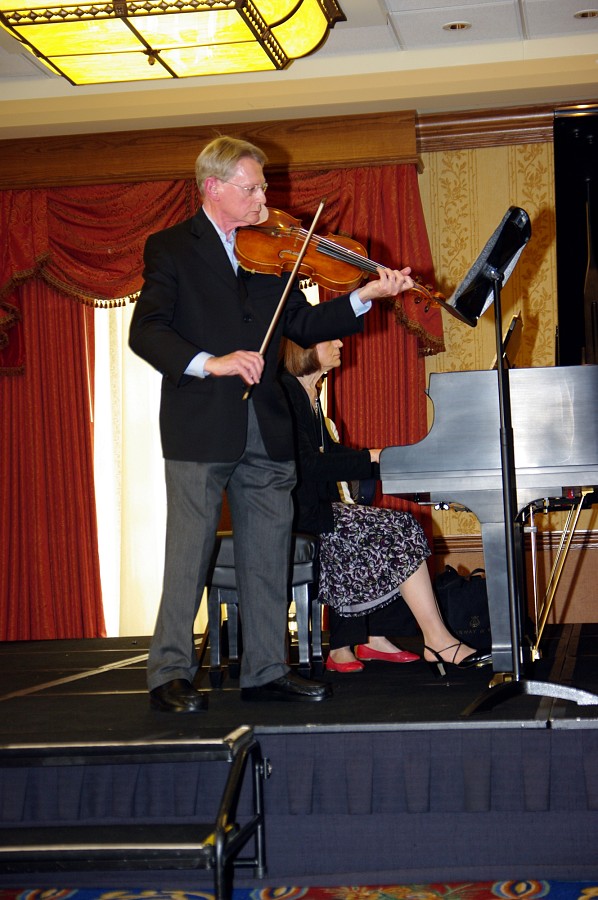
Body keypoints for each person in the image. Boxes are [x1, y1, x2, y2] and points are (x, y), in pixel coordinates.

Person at [128, 135, 417, 712]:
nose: (264, 196)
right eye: (252, 187)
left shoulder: (270, 253)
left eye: (263, 186)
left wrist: (364, 297)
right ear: (214, 188)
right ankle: (169, 674)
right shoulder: (171, 248)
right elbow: (147, 331)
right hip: (200, 424)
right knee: (188, 551)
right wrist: (211, 363)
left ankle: (265, 671)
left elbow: (305, 325)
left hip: (266, 426)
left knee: (270, 552)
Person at [279, 338, 491, 678]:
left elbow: (332, 454)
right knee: (399, 527)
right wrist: (373, 458)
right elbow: (309, 465)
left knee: (399, 526)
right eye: (328, 338)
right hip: (301, 516)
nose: (339, 343)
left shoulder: (310, 394)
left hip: (319, 511)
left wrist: (385, 457)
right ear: (303, 349)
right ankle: (435, 639)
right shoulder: (287, 392)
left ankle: (394, 637)